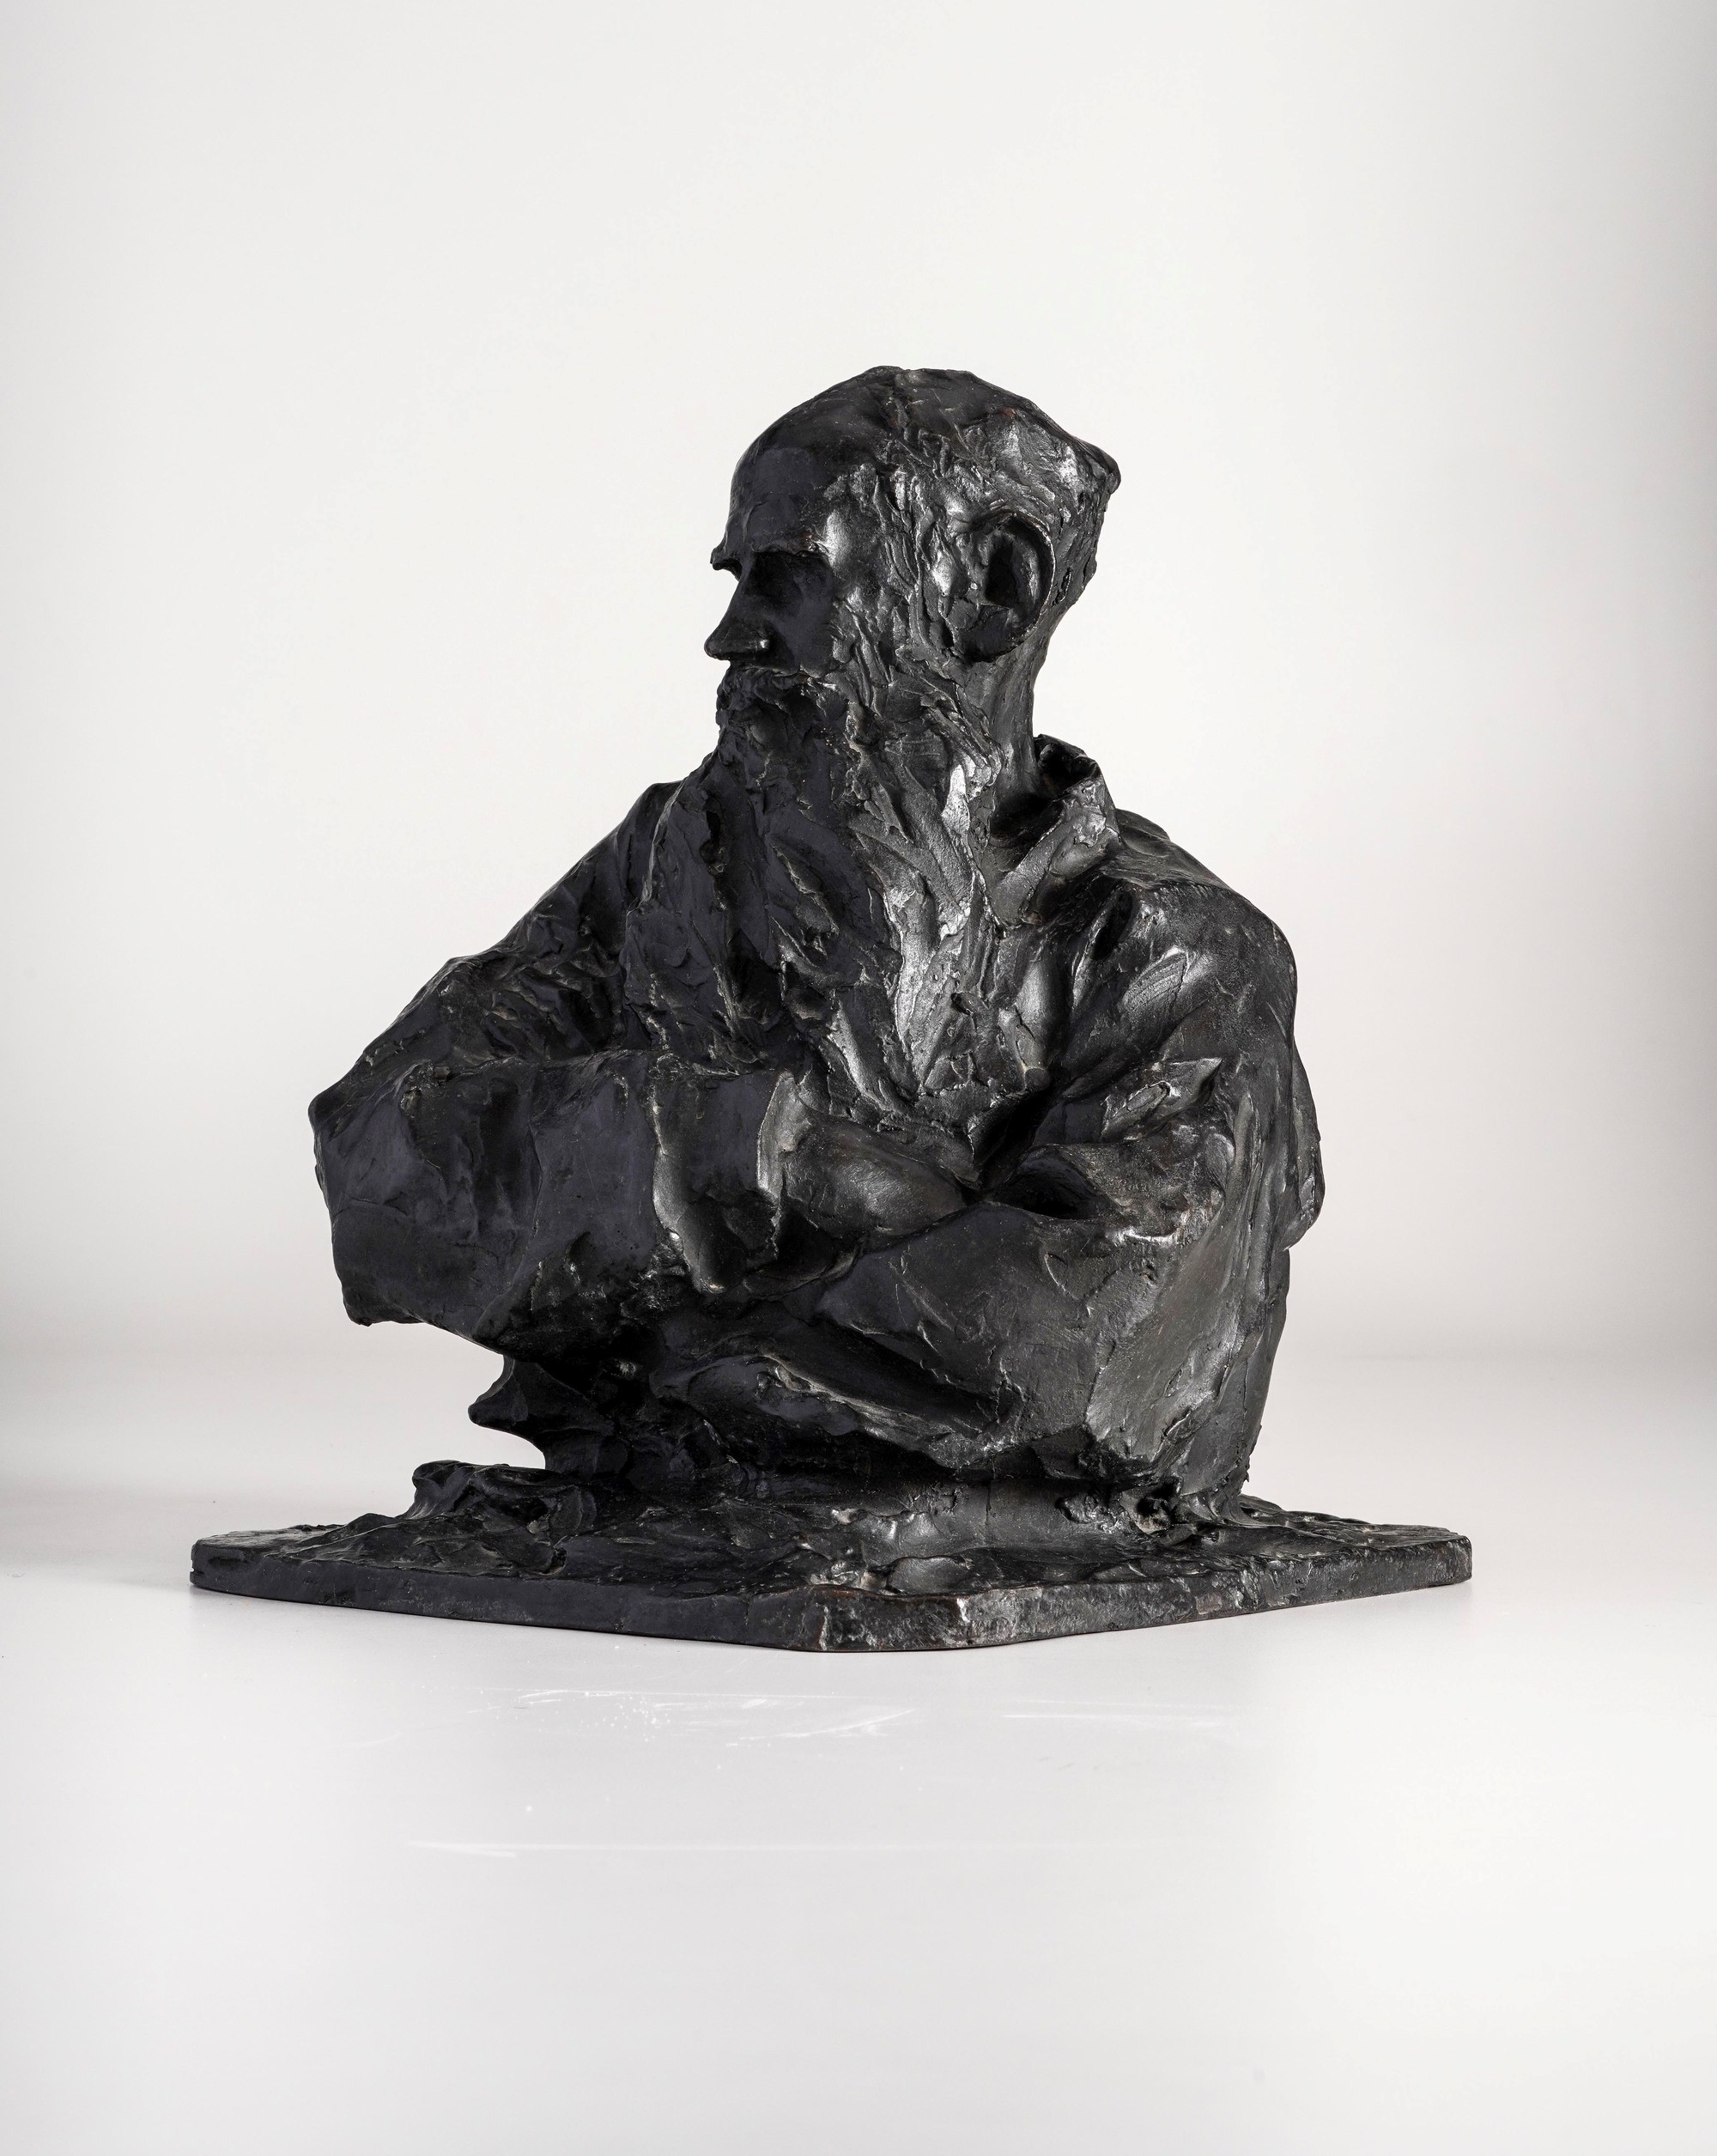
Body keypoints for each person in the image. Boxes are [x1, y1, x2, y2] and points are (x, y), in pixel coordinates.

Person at [311, 367, 1322, 1512]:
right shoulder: (671, 859)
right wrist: (761, 1156)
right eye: (737, 580)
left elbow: (1074, 1353)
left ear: (994, 589)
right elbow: (381, 1155)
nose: (727, 636)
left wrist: (643, 1296)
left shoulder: (1179, 956)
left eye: (789, 577)